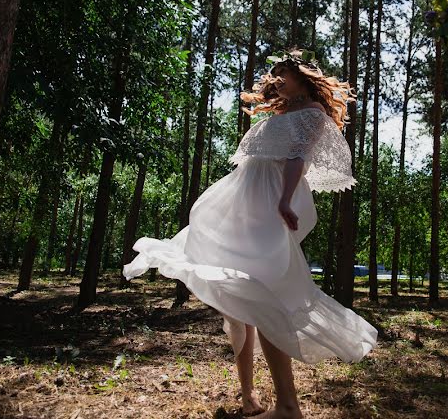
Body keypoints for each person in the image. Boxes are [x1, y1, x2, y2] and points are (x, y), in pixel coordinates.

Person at [124, 50, 377, 419]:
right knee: (239, 303)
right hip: (242, 203)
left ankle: (288, 407)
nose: (276, 78)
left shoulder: (312, 115)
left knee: (264, 299)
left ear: (303, 77)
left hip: (269, 205)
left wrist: (285, 201)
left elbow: (296, 160)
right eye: (274, 72)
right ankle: (248, 397)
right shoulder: (281, 113)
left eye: (283, 73)